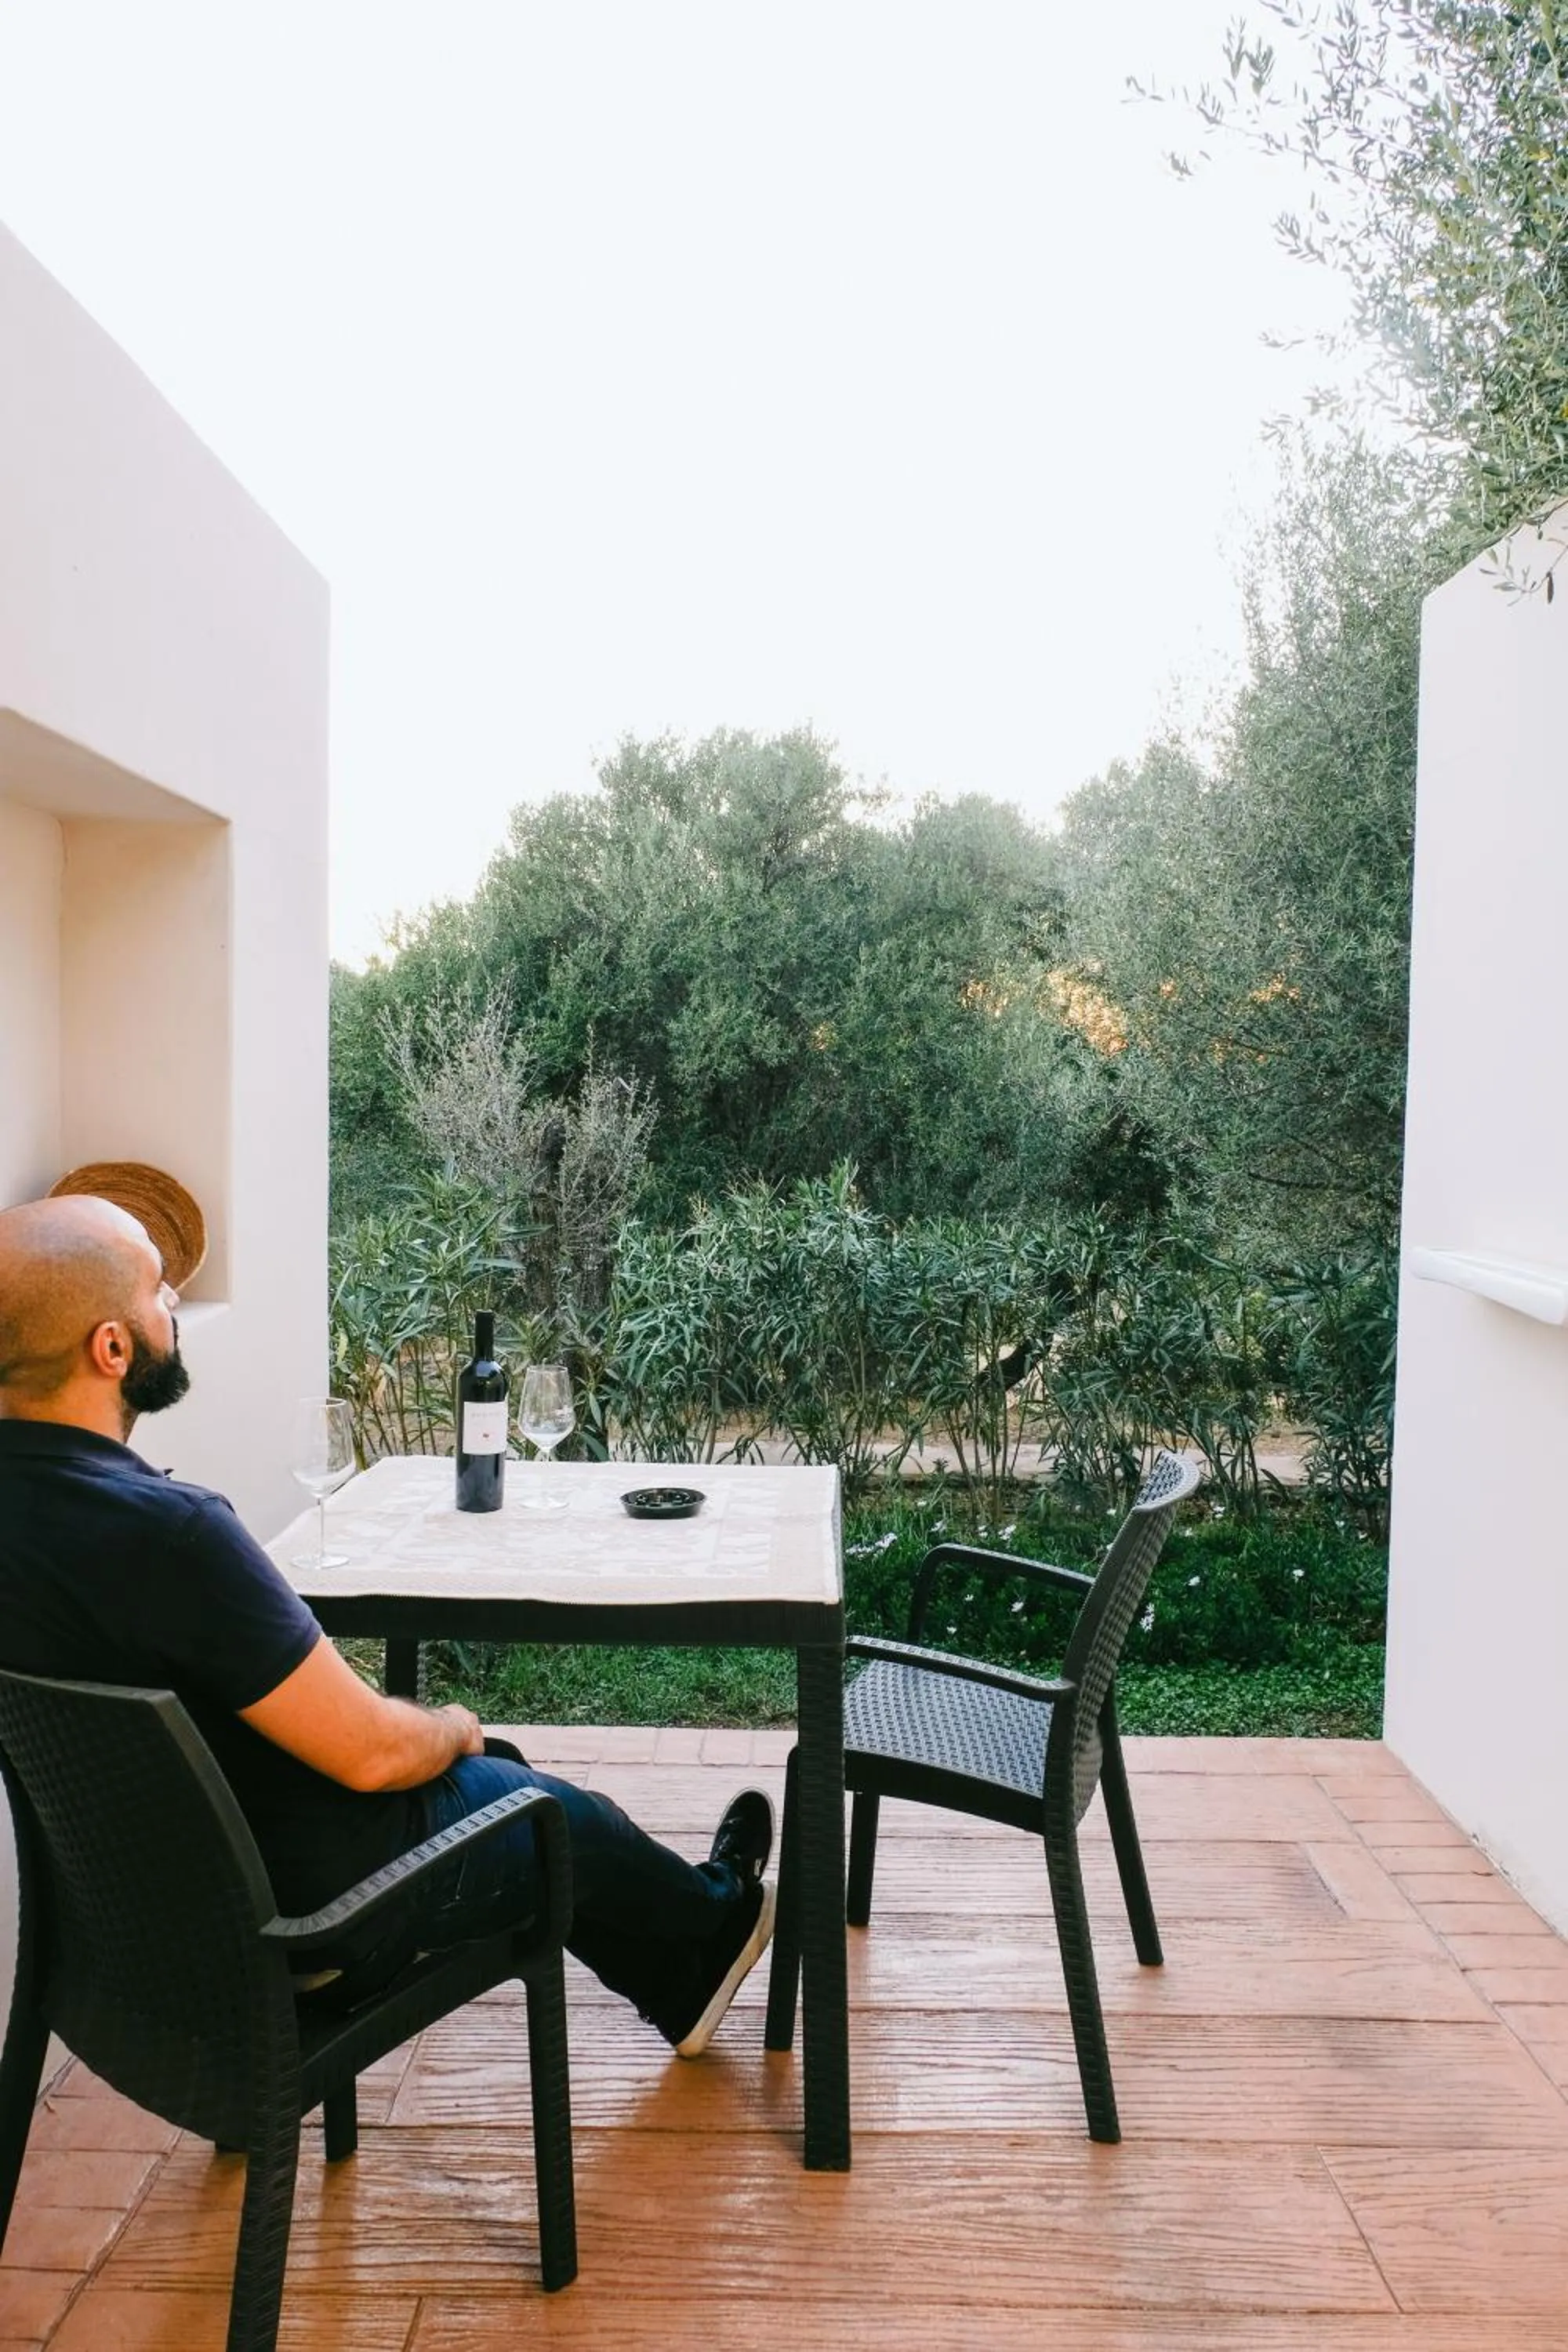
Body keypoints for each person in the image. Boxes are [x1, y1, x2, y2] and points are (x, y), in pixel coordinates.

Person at [0, 1194, 775, 2055]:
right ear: (111, 1347)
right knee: (553, 1811)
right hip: (314, 1923)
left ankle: (680, 1974)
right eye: (156, 1290)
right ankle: (715, 1915)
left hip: (149, 1922)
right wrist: (451, 1724)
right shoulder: (172, 1534)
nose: (173, 1303)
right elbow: (371, 1754)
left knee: (508, 1780)